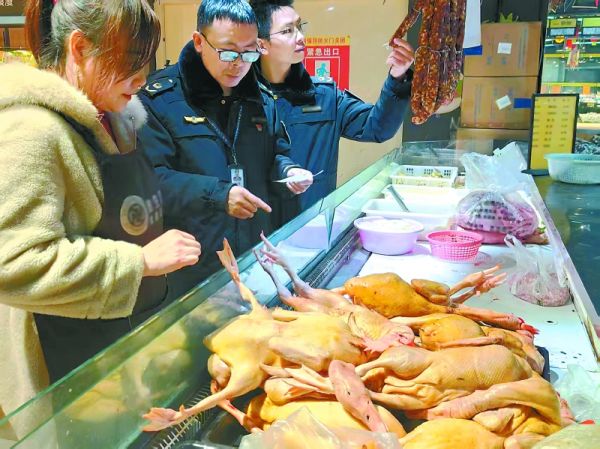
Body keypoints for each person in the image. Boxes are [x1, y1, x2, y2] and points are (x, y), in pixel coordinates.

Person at [0, 0, 202, 424]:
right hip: (69, 364)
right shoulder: (32, 130)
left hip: (128, 346)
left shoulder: (118, 118)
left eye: (146, 61)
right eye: (131, 61)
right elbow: (12, 263)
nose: (143, 78)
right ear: (79, 48)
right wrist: (139, 261)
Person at [138, 0, 312, 299]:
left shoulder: (260, 98)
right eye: (228, 52)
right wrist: (218, 195)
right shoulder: (159, 101)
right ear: (199, 42)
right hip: (191, 269)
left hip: (254, 261)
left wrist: (289, 170)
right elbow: (150, 181)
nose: (239, 63)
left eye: (249, 52)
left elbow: (275, 153)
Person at [250, 0, 415, 223]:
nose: (300, 37)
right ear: (261, 44)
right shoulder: (242, 100)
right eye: (288, 31)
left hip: (313, 226)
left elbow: (377, 128)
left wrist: (397, 78)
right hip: (257, 231)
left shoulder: (324, 96)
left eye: (299, 26)